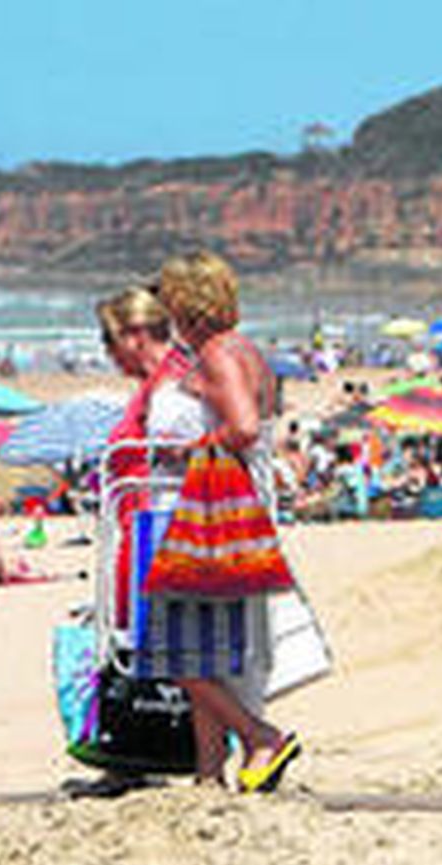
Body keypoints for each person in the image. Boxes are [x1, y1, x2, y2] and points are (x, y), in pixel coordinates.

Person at [153, 251, 301, 791]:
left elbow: (240, 428)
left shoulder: (216, 354)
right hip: (245, 504)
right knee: (207, 646)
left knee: (172, 648)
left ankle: (260, 735)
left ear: (186, 303)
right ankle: (208, 773)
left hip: (218, 509)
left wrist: (186, 451)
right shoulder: (243, 350)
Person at [96, 286, 192, 626]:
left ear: (136, 336)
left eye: (109, 340)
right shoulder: (157, 383)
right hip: (139, 529)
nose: (108, 353)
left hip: (154, 531)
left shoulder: (171, 388)